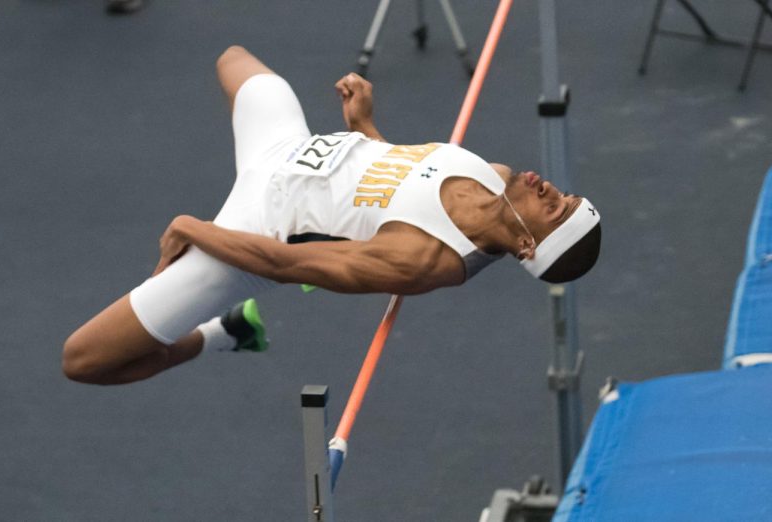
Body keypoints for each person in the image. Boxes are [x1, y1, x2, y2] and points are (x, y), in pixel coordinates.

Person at [62, 45, 601, 385]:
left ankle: (221, 334)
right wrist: (367, 126)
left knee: (85, 360)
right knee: (234, 59)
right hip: (285, 150)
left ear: (528, 247)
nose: (549, 188)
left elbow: (283, 264)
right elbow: (396, 189)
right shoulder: (494, 172)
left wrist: (194, 227)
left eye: (553, 208)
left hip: (256, 231)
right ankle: (225, 330)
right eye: (565, 195)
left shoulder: (424, 262)